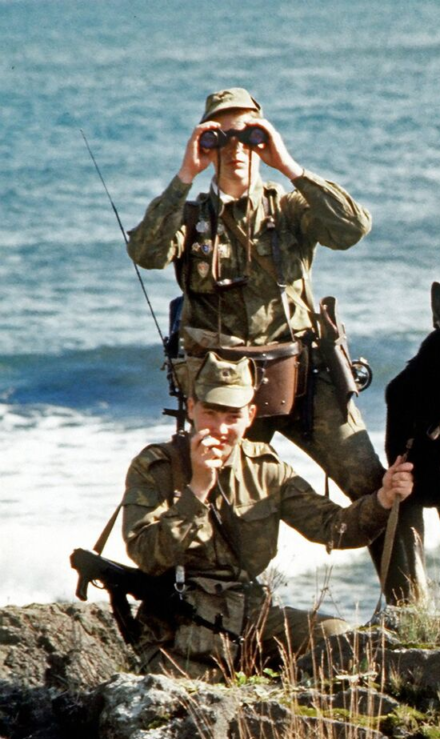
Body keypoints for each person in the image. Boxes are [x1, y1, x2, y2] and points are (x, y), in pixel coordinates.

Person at [125, 88, 388, 571]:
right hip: (223, 392)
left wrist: (289, 164)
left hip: (301, 379)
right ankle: (227, 608)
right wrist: (186, 175)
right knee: (225, 500)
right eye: (222, 137)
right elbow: (145, 254)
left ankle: (402, 603)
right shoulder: (190, 218)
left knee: (373, 485)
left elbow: (352, 229)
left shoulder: (289, 210)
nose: (237, 148)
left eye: (248, 134)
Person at [121, 355, 414, 680]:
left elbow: (333, 528)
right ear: (191, 408)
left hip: (250, 616)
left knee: (338, 637)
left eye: (232, 416)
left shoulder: (266, 469)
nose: (219, 429)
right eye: (210, 413)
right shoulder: (155, 467)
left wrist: (383, 499)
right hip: (177, 623)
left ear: (250, 415)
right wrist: (198, 489)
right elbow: (146, 555)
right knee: (189, 697)